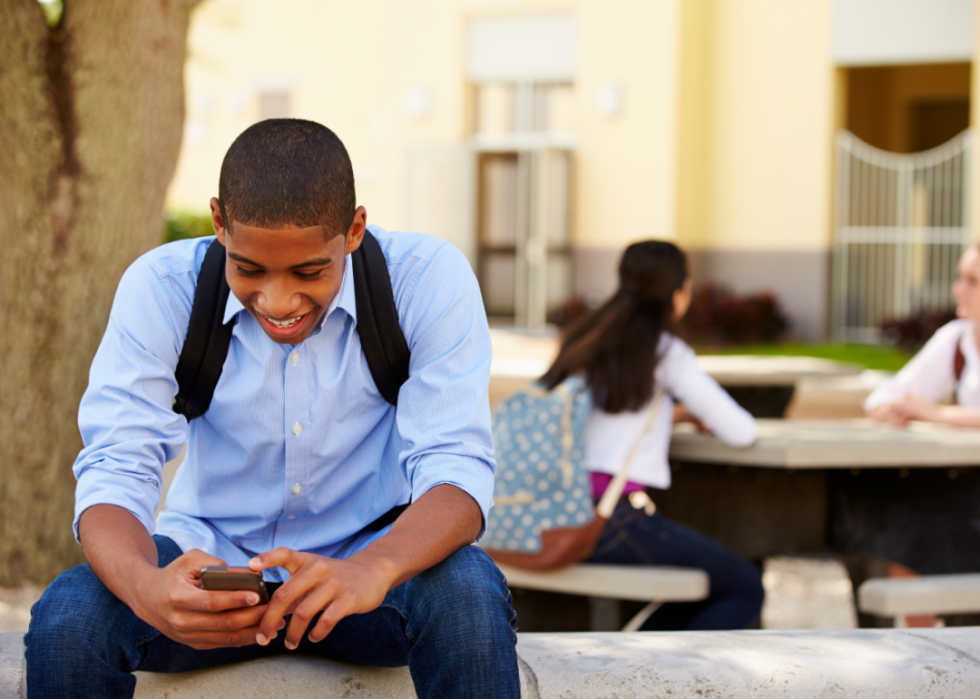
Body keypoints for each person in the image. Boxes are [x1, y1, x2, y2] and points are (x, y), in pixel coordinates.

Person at [25, 119, 519, 698]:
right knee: (69, 616)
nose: (279, 301)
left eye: (310, 271)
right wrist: (145, 586)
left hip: (373, 582)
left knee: (467, 593)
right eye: (249, 269)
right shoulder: (161, 289)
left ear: (354, 229)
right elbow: (115, 468)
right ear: (218, 224)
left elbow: (457, 468)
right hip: (209, 574)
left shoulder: (426, 279)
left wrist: (373, 568)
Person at [539, 240, 765, 630]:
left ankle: (636, 662)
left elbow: (605, 407)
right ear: (677, 293)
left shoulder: (584, 338)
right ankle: (650, 673)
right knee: (744, 586)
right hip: (608, 520)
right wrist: (689, 413)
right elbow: (741, 432)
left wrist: (671, 415)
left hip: (547, 510)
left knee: (709, 581)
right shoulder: (664, 351)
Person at [866, 244, 980, 428]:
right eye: (960, 277)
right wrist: (896, 409)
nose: (957, 289)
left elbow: (932, 411)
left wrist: (939, 413)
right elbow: (884, 396)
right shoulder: (956, 338)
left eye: (972, 281)